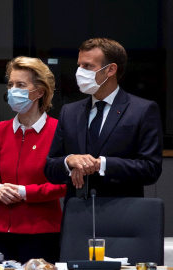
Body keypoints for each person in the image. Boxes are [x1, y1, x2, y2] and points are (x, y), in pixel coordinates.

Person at [44, 38, 163, 203]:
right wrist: (69, 161)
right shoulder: (69, 112)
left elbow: (151, 169)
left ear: (111, 70)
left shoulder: (142, 110)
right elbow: (50, 168)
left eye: (88, 66)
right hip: (77, 213)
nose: (80, 72)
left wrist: (102, 164)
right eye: (79, 65)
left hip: (121, 213)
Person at [0, 56, 66, 264]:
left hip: (43, 231)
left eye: (20, 85)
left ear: (40, 91)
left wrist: (25, 192)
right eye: (10, 85)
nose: (12, 91)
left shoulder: (58, 130)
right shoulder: (2, 129)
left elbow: (64, 184)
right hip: (2, 231)